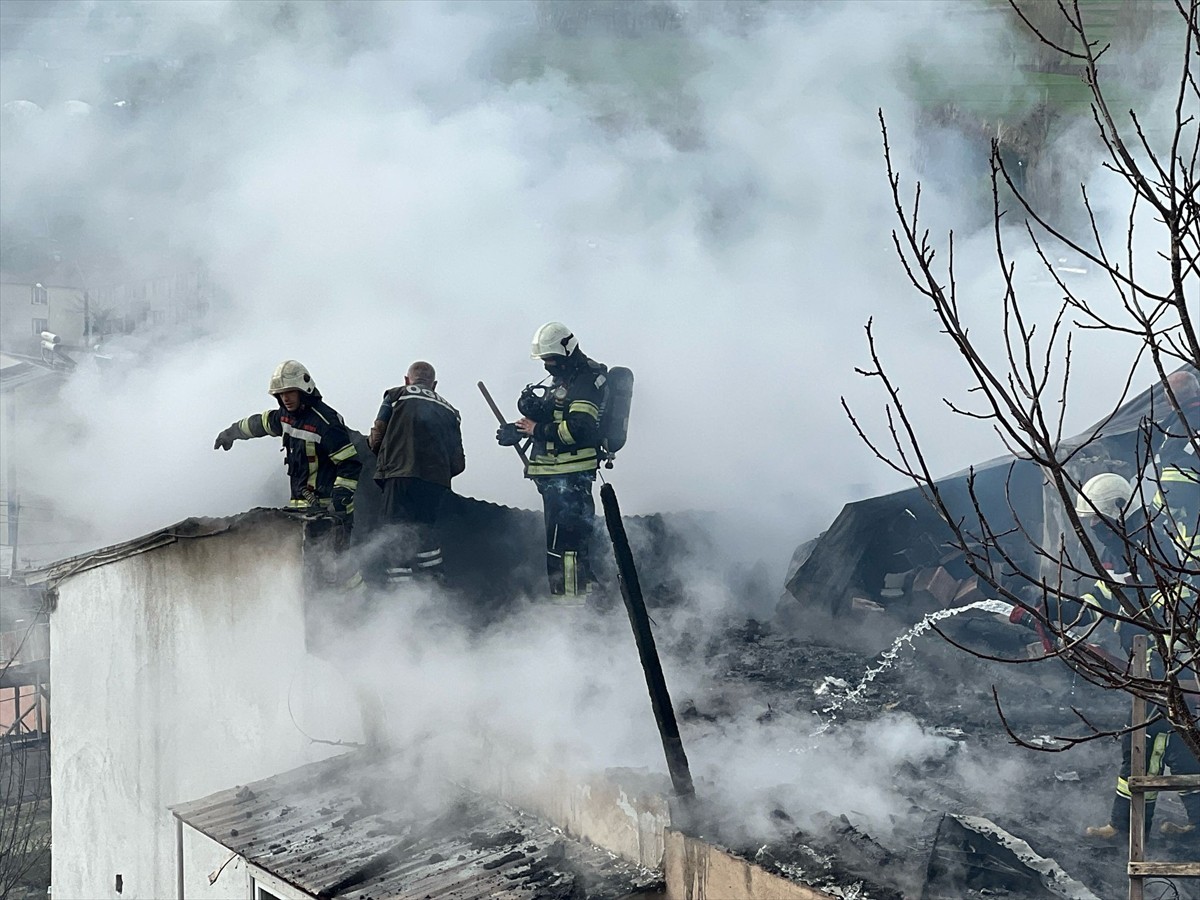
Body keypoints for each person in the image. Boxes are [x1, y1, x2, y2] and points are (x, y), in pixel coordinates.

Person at [497, 322, 606, 604]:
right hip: (556, 478)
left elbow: (577, 429)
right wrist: (518, 430)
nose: (547, 365)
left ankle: (571, 607)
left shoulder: (586, 380)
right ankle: (588, 603)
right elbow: (552, 418)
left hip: (570, 478)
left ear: (567, 351)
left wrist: (536, 431)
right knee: (570, 547)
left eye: (550, 359)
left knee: (565, 550)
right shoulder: (565, 379)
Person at [213, 360, 361, 528]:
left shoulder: (326, 423)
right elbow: (260, 424)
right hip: (301, 511)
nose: (285, 398)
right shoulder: (286, 416)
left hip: (330, 514)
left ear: (303, 390)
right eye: (281, 394)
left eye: (290, 392)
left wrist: (339, 502)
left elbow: (349, 465)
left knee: (328, 555)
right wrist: (231, 433)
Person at [368, 361, 465, 586]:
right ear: (435, 385)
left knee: (394, 535)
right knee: (426, 536)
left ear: (407, 379)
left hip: (398, 477)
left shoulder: (395, 395)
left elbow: (377, 437)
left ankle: (401, 595)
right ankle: (435, 590)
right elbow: (458, 463)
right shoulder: (451, 411)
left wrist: (382, 455)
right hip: (435, 483)